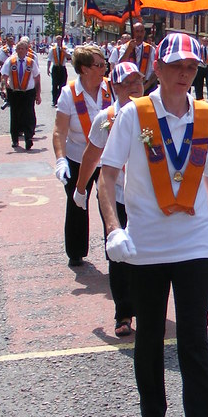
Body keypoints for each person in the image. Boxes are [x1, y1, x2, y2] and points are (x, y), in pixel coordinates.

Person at [97, 32, 208, 417]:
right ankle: (152, 411)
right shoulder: (133, 115)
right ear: (156, 68)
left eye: (192, 67)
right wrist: (113, 229)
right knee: (152, 334)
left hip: (194, 242)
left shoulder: (207, 117)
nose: (184, 74)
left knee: (195, 336)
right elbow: (106, 176)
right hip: (147, 243)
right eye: (176, 65)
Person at [74, 62, 144, 338]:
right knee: (119, 255)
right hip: (116, 197)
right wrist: (81, 189)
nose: (135, 86)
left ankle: (148, 306)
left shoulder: (153, 112)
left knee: (148, 253)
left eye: (138, 80)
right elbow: (91, 155)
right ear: (115, 87)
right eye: (128, 83)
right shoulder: (106, 117)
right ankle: (124, 313)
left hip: (148, 198)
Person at [52, 45, 112, 267]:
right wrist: (61, 160)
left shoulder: (111, 89)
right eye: (99, 65)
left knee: (110, 201)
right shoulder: (69, 93)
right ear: (84, 69)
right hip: (78, 156)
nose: (104, 68)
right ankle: (76, 251)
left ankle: (114, 250)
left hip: (107, 157)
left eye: (104, 63)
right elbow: (59, 131)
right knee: (77, 202)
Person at [0, 39, 41, 151]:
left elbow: (37, 79)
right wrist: (3, 88)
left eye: (23, 49)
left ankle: (28, 138)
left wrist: (38, 94)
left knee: (28, 115)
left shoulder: (31, 62)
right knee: (15, 116)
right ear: (16, 50)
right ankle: (15, 139)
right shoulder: (10, 61)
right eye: (18, 49)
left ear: (27, 50)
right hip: (15, 93)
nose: (20, 51)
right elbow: (4, 76)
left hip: (28, 93)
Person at [118, 22, 156, 92]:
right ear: (132, 32)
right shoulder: (125, 47)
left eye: (141, 31)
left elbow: (155, 69)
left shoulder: (150, 49)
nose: (139, 34)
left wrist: (146, 85)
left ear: (144, 33)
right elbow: (120, 65)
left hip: (146, 86)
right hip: (129, 86)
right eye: (137, 31)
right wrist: (129, 50)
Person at [47, 35, 70, 107]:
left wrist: (63, 51)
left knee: (62, 85)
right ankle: (54, 100)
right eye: (58, 40)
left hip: (62, 68)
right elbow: (49, 59)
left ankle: (61, 100)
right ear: (56, 41)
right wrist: (48, 68)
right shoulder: (52, 49)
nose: (59, 41)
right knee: (54, 85)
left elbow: (69, 57)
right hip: (56, 68)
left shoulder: (65, 48)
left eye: (60, 40)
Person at [193, 35, 208, 103]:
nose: (205, 42)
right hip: (200, 67)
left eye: (207, 41)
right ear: (202, 41)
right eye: (204, 41)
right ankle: (199, 97)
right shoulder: (198, 48)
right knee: (199, 83)